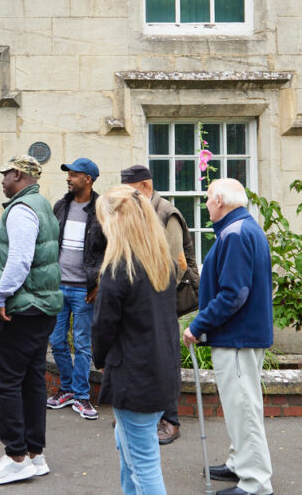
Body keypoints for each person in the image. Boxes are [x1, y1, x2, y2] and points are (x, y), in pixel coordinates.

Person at [183, 179, 274, 495]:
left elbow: (234, 294)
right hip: (242, 335)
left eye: (208, 198)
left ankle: (256, 482)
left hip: (237, 336)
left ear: (219, 199)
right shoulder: (244, 228)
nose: (206, 203)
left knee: (244, 407)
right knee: (242, 405)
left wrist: (197, 325)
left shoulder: (235, 234)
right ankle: (240, 464)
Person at [92, 186, 180, 495]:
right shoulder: (163, 264)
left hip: (135, 377)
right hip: (161, 372)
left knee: (143, 464)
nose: (101, 226)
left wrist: (99, 360)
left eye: (104, 219)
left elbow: (102, 328)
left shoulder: (118, 270)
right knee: (128, 452)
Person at [0, 155, 63, 485]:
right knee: (30, 377)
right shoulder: (40, 204)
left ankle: (16, 457)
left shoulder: (21, 209)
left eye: (5, 174)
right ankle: (34, 453)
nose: (1, 179)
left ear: (19, 175)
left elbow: (19, 260)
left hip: (21, 309)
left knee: (2, 380)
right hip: (39, 307)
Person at [121, 163, 199, 445]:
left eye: (130, 191)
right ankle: (149, 416)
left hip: (163, 298)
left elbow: (173, 264)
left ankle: (171, 420)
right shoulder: (137, 210)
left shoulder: (167, 213)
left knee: (166, 359)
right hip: (140, 299)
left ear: (145, 186)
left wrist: (146, 295)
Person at [47, 157, 106, 421]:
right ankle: (68, 390)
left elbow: (112, 249)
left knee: (82, 345)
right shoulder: (61, 206)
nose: (68, 178)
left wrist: (99, 283)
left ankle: (82, 396)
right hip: (58, 287)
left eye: (74, 174)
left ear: (88, 180)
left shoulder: (103, 209)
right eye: (68, 174)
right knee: (57, 341)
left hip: (85, 290)